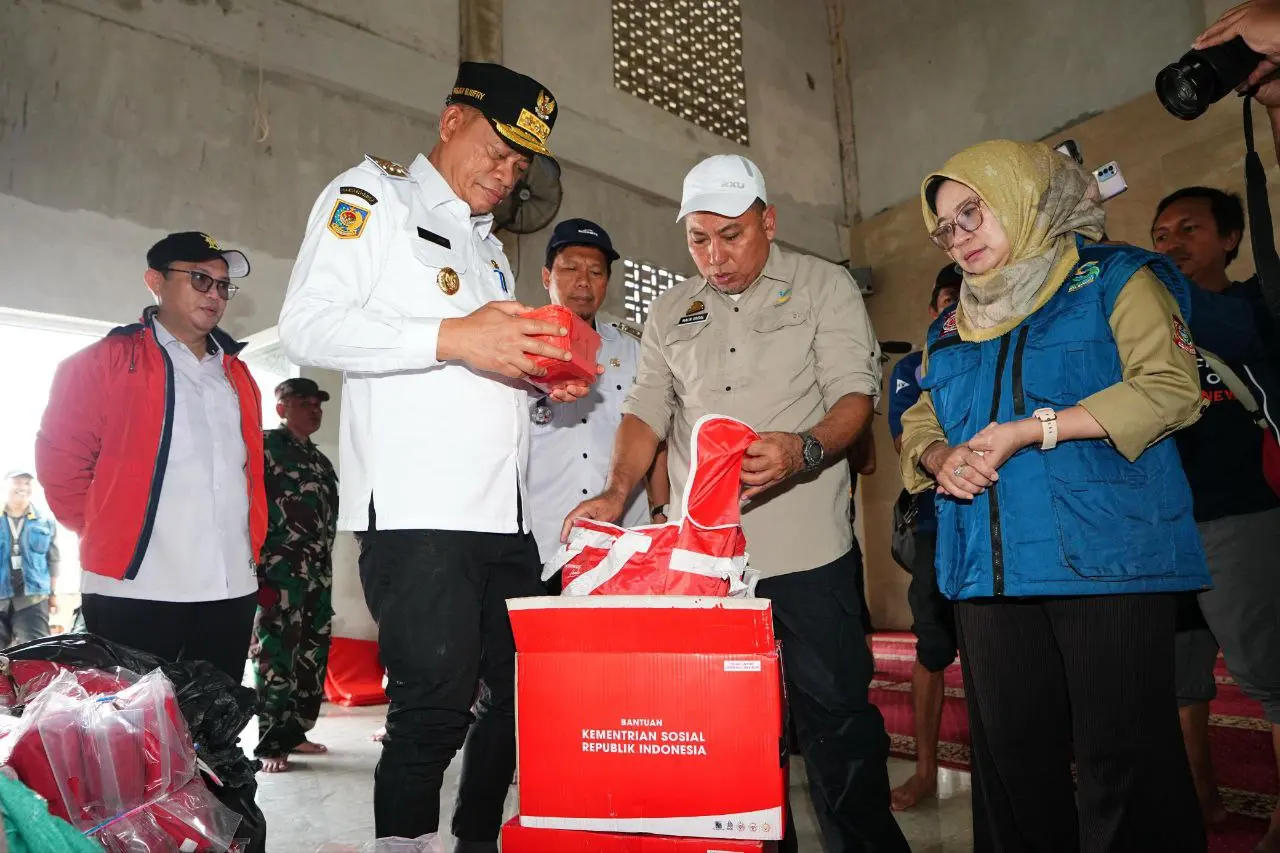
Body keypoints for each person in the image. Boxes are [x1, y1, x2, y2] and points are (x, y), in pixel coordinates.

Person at [278, 62, 593, 851]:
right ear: (452, 119)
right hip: (421, 514)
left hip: (503, 520)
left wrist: (531, 381)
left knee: (520, 696)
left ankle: (475, 837)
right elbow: (309, 327)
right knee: (433, 708)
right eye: (495, 150)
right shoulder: (372, 197)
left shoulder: (486, 247)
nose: (505, 174)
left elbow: (472, 370)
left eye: (520, 165)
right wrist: (455, 336)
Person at [563, 154, 909, 853]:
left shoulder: (823, 286)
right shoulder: (671, 311)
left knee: (838, 728)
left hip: (807, 554)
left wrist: (804, 449)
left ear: (767, 221)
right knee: (732, 740)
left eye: (732, 235)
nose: (715, 256)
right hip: (709, 570)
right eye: (699, 239)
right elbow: (645, 410)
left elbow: (854, 396)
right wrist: (616, 491)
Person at [899, 139, 1211, 851]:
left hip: (1109, 560)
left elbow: (1170, 387)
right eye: (946, 227)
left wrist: (1033, 429)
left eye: (973, 212)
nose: (959, 236)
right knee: (1012, 772)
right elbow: (920, 414)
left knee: (1125, 768)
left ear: (1022, 195)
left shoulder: (1113, 277)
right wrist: (938, 454)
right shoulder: (950, 325)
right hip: (986, 571)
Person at [36, 232, 265, 681]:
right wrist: (111, 530)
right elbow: (62, 466)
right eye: (200, 279)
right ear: (154, 281)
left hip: (228, 584)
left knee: (215, 725)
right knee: (131, 728)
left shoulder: (238, 376)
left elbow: (248, 475)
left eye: (222, 286)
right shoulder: (104, 362)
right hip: (135, 585)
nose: (215, 294)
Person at [1153, 186, 1280, 846]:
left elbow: (1236, 336)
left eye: (1188, 228)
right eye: (1160, 233)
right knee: (1181, 680)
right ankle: (1200, 795)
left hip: (1242, 512)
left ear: (1229, 239)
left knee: (1269, 674)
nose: (1170, 241)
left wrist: (1154, 284)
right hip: (1170, 525)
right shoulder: (1148, 329)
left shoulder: (1254, 303)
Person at [527, 217, 669, 577]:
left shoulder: (635, 351)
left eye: (595, 272)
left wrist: (661, 513)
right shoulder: (520, 347)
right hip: (541, 541)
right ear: (547, 277)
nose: (583, 283)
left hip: (624, 543)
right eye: (570, 269)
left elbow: (656, 436)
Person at [885, 264, 960, 811]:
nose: (955, 307)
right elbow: (904, 442)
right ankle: (928, 771)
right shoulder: (914, 367)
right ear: (934, 309)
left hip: (1002, 526)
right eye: (946, 298)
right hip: (936, 525)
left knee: (1002, 651)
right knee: (933, 648)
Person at [252, 377, 340, 774]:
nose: (314, 409)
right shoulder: (265, 447)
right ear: (282, 408)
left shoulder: (320, 461)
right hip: (278, 573)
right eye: (303, 402)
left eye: (317, 403)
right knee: (277, 654)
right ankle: (271, 742)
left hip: (318, 574)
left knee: (312, 653)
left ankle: (297, 730)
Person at [0, 469, 60, 648]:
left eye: (27, 483)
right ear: (6, 484)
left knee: (37, 657)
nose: (23, 487)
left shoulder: (45, 520)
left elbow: (53, 560)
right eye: (17, 482)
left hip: (33, 599)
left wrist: (52, 595)